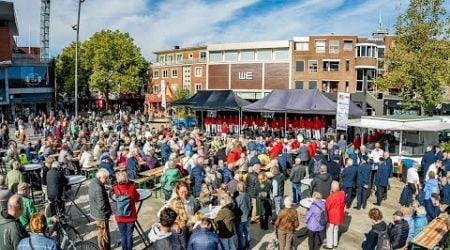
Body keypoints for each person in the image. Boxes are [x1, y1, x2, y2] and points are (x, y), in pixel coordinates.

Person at [113, 171, 140, 250]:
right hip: (130, 216)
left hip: (119, 216)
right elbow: (137, 197)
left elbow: (114, 201)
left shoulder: (115, 188)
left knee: (123, 235)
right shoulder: (132, 187)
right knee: (129, 235)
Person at [89, 168, 112, 250]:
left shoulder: (93, 182)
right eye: (106, 178)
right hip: (101, 216)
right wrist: (109, 211)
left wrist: (104, 189)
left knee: (101, 233)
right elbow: (101, 206)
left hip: (95, 212)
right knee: (104, 235)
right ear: (101, 177)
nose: (107, 180)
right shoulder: (99, 188)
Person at [324, 181, 345, 249]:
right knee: (336, 230)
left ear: (332, 188)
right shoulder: (342, 194)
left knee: (329, 231)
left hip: (332, 217)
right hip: (339, 216)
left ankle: (329, 245)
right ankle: (335, 243)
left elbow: (326, 206)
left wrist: (330, 195)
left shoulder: (331, 197)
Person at [235, 181, 251, 250]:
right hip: (246, 217)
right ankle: (248, 246)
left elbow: (236, 209)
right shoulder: (247, 195)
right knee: (247, 233)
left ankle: (241, 248)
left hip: (240, 219)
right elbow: (250, 207)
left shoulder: (238, 198)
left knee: (240, 235)